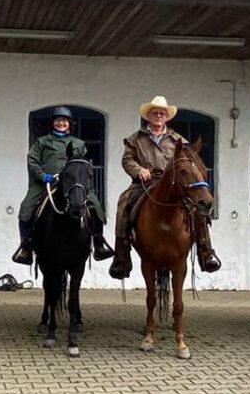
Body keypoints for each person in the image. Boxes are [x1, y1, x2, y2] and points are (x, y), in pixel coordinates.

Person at [109, 95, 220, 280]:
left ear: (167, 117)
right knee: (123, 203)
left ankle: (205, 249)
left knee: (196, 206)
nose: (158, 116)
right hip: (144, 182)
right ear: (148, 116)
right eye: (155, 113)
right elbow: (127, 159)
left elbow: (189, 162)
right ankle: (121, 254)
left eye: (162, 113)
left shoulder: (179, 140)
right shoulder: (135, 139)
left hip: (173, 184)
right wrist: (138, 170)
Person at [12, 106, 110, 265]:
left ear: (69, 124)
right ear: (53, 123)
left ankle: (99, 242)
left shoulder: (79, 144)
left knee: (96, 206)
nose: (61, 123)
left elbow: (83, 163)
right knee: (26, 207)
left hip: (73, 182)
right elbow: (32, 162)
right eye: (58, 120)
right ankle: (26, 246)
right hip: (47, 182)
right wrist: (43, 176)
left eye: (64, 121)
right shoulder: (42, 142)